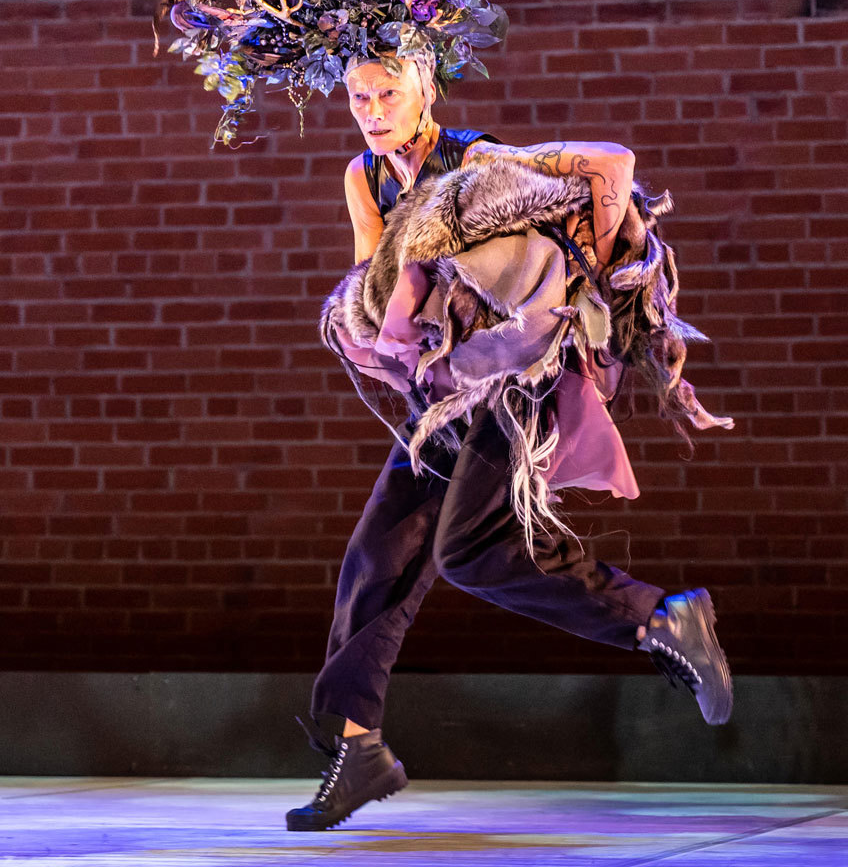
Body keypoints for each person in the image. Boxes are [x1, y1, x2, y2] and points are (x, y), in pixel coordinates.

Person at [282, 53, 734, 832]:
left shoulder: (477, 161)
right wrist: (379, 330)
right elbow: (375, 284)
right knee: (377, 555)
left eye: (388, 92)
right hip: (447, 389)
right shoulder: (365, 176)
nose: (372, 109)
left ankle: (659, 617)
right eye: (358, 95)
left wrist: (594, 272)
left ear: (425, 87)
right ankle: (358, 750)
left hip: (520, 379)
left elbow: (612, 164)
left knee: (468, 550)